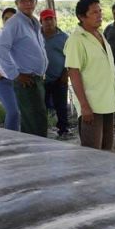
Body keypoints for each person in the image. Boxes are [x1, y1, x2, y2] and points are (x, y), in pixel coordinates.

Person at [65, 0, 115, 150]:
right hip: (91, 105)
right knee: (92, 152)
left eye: (100, 11)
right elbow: (73, 73)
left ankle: (106, 175)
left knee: (106, 149)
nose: (99, 15)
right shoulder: (76, 40)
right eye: (94, 12)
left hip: (107, 101)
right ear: (82, 17)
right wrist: (84, 106)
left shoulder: (99, 34)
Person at [0, 0, 48, 138]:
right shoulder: (15, 22)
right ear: (17, 3)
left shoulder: (33, 21)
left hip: (36, 79)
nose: (27, 3)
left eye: (30, 0)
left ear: (36, 2)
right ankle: (35, 156)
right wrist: (15, 74)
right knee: (33, 123)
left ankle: (38, 154)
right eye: (23, 1)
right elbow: (0, 48)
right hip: (26, 80)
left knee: (38, 119)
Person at [41, 8, 71, 139]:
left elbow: (70, 57)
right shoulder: (36, 35)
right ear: (41, 21)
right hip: (40, 78)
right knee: (41, 106)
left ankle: (63, 130)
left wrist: (65, 74)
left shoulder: (64, 37)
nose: (48, 22)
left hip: (59, 77)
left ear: (55, 20)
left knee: (61, 106)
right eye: (45, 20)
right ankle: (42, 131)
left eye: (50, 19)